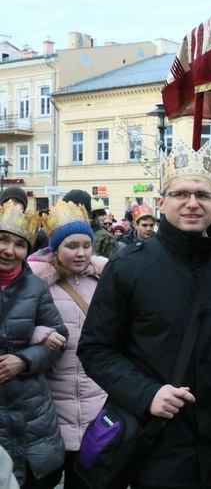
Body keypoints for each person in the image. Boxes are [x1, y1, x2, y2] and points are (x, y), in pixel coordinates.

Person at [77, 140, 211, 488]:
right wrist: (147, 394)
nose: (192, 203)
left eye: (202, 194)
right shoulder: (127, 269)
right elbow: (95, 350)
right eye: (181, 194)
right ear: (162, 203)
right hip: (156, 444)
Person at [28, 201, 108, 489]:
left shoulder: (106, 280)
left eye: (86, 245)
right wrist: (39, 333)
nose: (81, 253)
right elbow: (16, 326)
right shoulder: (36, 285)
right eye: (72, 246)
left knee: (86, 480)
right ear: (55, 249)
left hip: (96, 398)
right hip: (49, 402)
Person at [0, 202, 69, 488]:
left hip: (29, 411)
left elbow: (59, 339)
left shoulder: (36, 288)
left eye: (19, 244)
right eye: (3, 239)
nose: (9, 250)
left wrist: (25, 360)